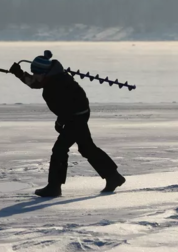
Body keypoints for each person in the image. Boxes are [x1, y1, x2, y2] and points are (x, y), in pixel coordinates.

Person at [9, 50, 125, 197]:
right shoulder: (51, 78)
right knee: (86, 148)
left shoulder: (59, 83)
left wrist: (60, 121)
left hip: (75, 117)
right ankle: (113, 177)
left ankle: (54, 187)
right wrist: (19, 73)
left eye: (37, 74)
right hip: (76, 116)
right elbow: (35, 83)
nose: (35, 77)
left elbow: (68, 107)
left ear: (45, 72)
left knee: (59, 149)